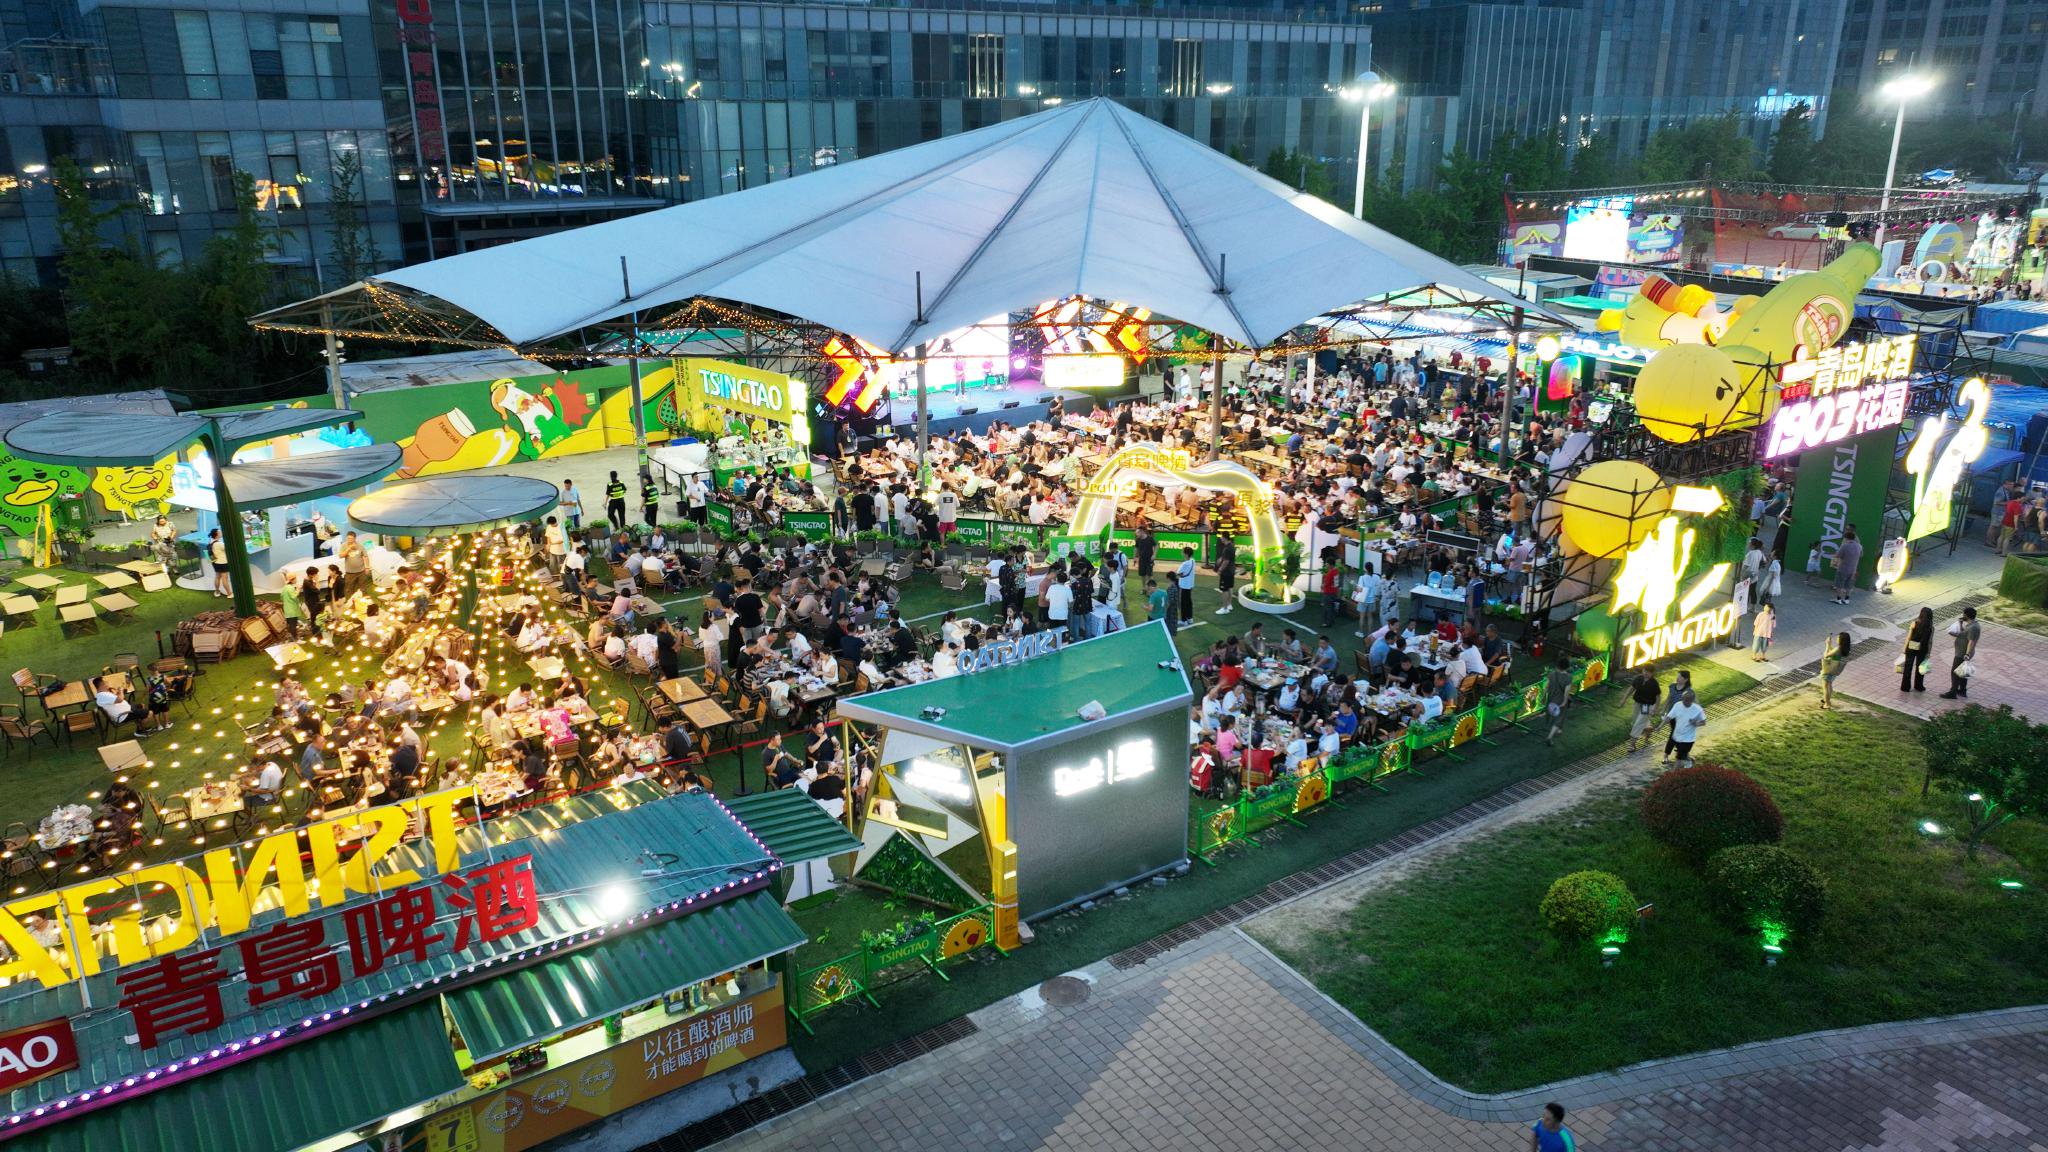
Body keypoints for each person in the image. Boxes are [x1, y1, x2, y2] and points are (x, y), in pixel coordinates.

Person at [1939, 605, 1981, 699]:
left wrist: (1967, 654)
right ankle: (1962, 690)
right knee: (1962, 671)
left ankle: (1953, 692)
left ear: (1966, 615)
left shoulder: (1973, 628)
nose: (1962, 616)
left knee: (1955, 672)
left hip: (1962, 653)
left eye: (1964, 614)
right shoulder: (1971, 625)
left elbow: (1971, 641)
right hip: (1962, 651)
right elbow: (1964, 635)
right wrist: (1961, 625)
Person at [1663, 689, 1706, 767]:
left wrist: (1695, 723)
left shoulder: (1698, 709)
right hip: (1677, 737)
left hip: (1688, 739)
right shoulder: (1678, 705)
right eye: (1683, 699)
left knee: (1679, 759)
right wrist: (1659, 726)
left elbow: (1703, 722)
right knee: (1682, 756)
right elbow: (1669, 717)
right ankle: (1689, 762)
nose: (1683, 702)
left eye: (1686, 700)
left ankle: (1675, 774)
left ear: (1691, 700)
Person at [1625, 668, 1661, 753]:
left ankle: (1632, 745)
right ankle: (1648, 729)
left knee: (1638, 724)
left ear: (1652, 673)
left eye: (1648, 672)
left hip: (1647, 706)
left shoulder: (1654, 683)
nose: (1645, 673)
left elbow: (1658, 697)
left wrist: (1655, 708)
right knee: (1635, 722)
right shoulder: (1639, 678)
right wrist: (1624, 699)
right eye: (1644, 671)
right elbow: (1632, 688)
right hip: (1637, 703)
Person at [1900, 605, 1933, 693]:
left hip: (1911, 646)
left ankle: (1905, 687)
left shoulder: (1914, 623)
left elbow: (1909, 637)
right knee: (1920, 668)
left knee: (1908, 667)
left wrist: (1904, 648)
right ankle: (1918, 686)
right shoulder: (1931, 627)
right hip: (1923, 648)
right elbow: (1930, 641)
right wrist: (1929, 653)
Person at [1543, 655, 1573, 746]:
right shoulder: (1568, 677)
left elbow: (1546, 687)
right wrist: (1564, 702)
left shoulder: (1552, 674)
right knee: (1559, 718)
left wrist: (1543, 697)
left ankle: (1558, 730)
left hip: (1551, 699)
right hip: (1559, 701)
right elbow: (1567, 691)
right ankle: (1550, 737)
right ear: (1567, 666)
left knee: (1553, 715)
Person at [1819, 630, 1850, 711]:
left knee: (1825, 687)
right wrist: (1829, 645)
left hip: (1829, 669)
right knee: (1829, 685)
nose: (1837, 638)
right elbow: (1833, 653)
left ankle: (1827, 704)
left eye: (1838, 637)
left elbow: (1826, 655)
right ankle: (1826, 699)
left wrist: (1827, 645)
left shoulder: (1838, 648)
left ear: (1841, 640)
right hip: (1834, 670)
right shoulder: (1843, 649)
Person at [1830, 527, 1863, 605]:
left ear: (1846, 538)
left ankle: (1838, 599)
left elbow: (1838, 555)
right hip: (1853, 568)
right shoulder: (1859, 546)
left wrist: (1834, 554)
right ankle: (1847, 599)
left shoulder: (1845, 546)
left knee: (1839, 584)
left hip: (1843, 567)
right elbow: (1860, 555)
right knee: (1849, 585)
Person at [1175, 547, 1197, 622]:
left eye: (1183, 552)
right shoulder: (1193, 561)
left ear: (1186, 554)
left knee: (1183, 603)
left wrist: (1179, 575)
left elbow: (1178, 573)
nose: (1182, 553)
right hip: (1190, 584)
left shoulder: (1184, 564)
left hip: (1184, 585)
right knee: (1188, 601)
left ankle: (1183, 620)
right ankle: (1190, 618)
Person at [1214, 547, 1236, 616]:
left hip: (1226, 572)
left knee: (1225, 589)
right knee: (1230, 587)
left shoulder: (1227, 548)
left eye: (1221, 537)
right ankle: (1229, 605)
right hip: (1231, 571)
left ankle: (1224, 608)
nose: (1221, 539)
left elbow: (1226, 561)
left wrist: (1220, 570)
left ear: (1224, 537)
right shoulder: (1231, 545)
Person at [207, 529, 230, 597]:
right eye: (220, 532)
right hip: (223, 563)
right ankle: (229, 593)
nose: (221, 533)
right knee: (224, 578)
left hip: (215, 562)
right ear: (217, 534)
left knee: (217, 577)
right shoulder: (220, 544)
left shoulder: (210, 541)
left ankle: (217, 591)